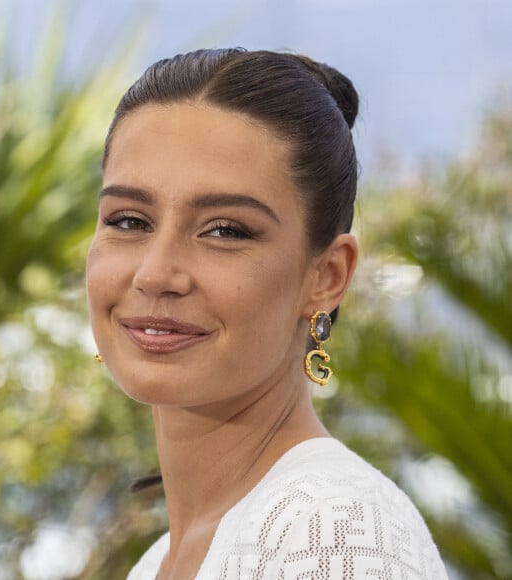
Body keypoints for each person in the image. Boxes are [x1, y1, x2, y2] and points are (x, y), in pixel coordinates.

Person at [86, 48, 448, 579]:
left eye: (225, 230)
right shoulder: (157, 562)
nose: (155, 273)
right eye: (129, 220)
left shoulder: (332, 532)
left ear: (327, 277)